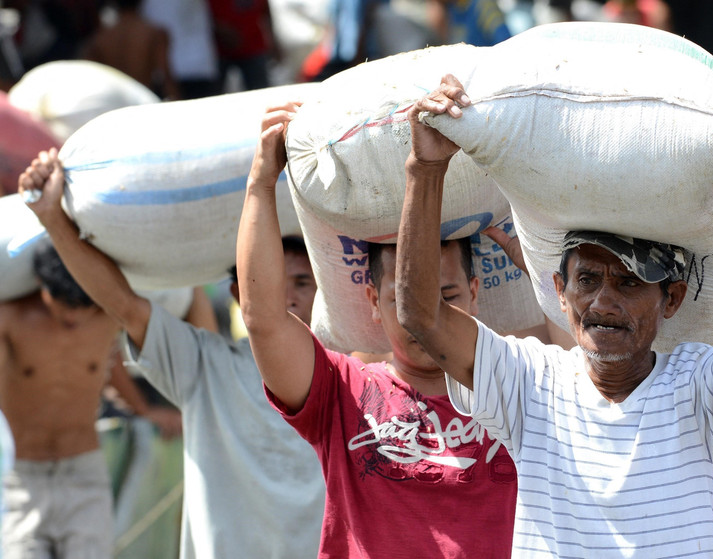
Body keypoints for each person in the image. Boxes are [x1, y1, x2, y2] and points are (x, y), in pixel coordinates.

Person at [394, 74, 713, 556]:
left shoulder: (696, 386)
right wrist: (426, 167)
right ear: (559, 292)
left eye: (629, 282)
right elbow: (422, 315)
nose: (604, 302)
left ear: (672, 299)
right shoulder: (529, 382)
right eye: (587, 281)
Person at [236, 102, 518, 557]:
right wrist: (261, 184)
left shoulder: (518, 385)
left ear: (474, 292)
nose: (425, 319)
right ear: (372, 302)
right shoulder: (340, 392)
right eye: (403, 299)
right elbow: (262, 319)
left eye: (446, 297)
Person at [18, 149, 326, 559]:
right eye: (268, 282)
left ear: (325, 290)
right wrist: (53, 218)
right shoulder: (203, 364)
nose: (286, 297)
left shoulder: (348, 371)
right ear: (239, 294)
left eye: (303, 282)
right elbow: (125, 305)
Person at [0, 238, 121, 558]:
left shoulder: (109, 318)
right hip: (22, 478)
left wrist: (146, 409)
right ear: (40, 282)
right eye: (63, 303)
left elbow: (116, 366)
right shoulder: (9, 320)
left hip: (84, 473)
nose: (74, 316)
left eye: (83, 305)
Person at [83, 0, 180, 100]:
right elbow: (166, 77)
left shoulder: (100, 38)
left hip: (113, 104)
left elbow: (90, 78)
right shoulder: (153, 33)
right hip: (143, 101)